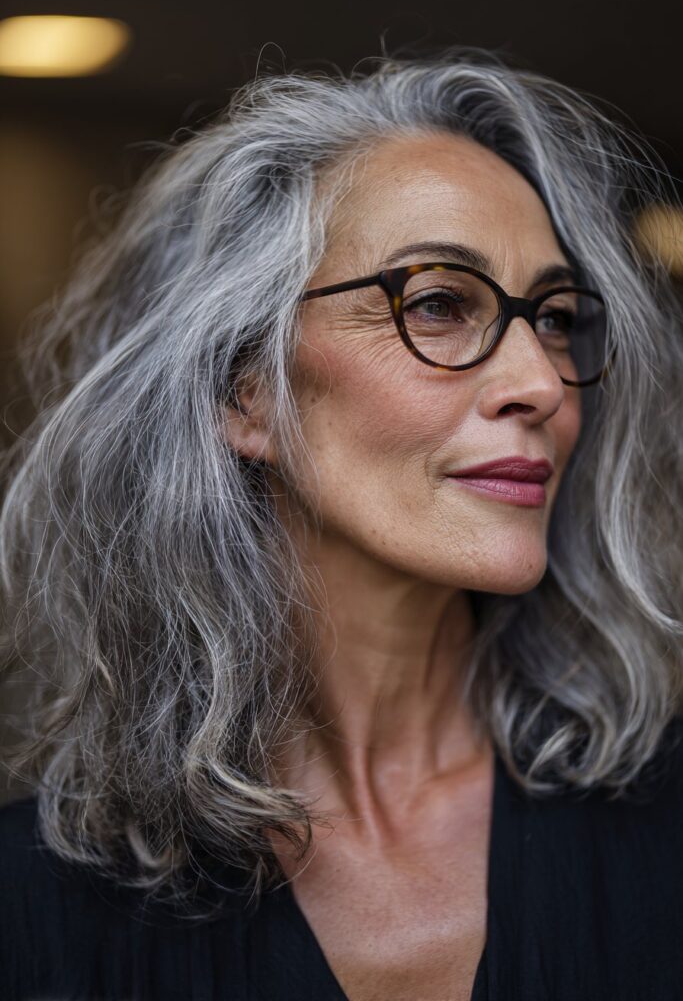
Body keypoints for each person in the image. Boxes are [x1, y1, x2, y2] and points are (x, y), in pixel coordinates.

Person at [0, 49, 682, 1001]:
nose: (540, 384)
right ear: (245, 395)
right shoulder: (34, 907)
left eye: (557, 317)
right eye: (438, 303)